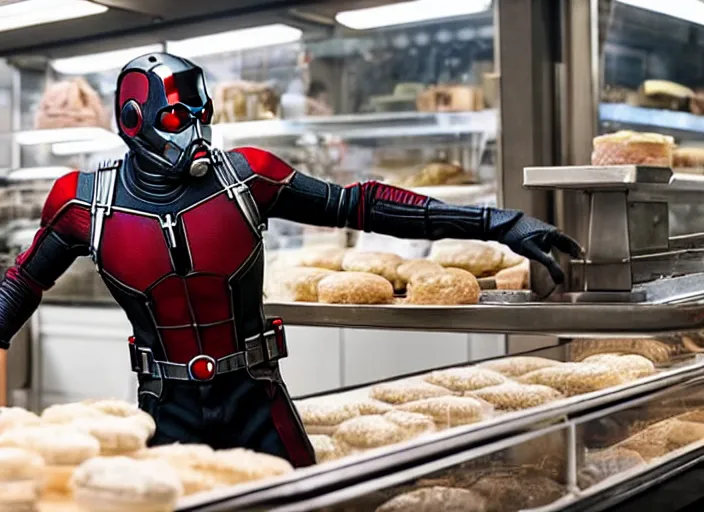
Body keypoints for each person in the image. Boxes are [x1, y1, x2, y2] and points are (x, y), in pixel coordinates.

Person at [0, 53, 580, 467]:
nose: (197, 131)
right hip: (163, 407)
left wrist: (497, 223)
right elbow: (19, 286)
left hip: (256, 396)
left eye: (203, 113)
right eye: (178, 118)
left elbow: (361, 205)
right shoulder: (85, 201)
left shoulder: (245, 176)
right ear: (133, 123)